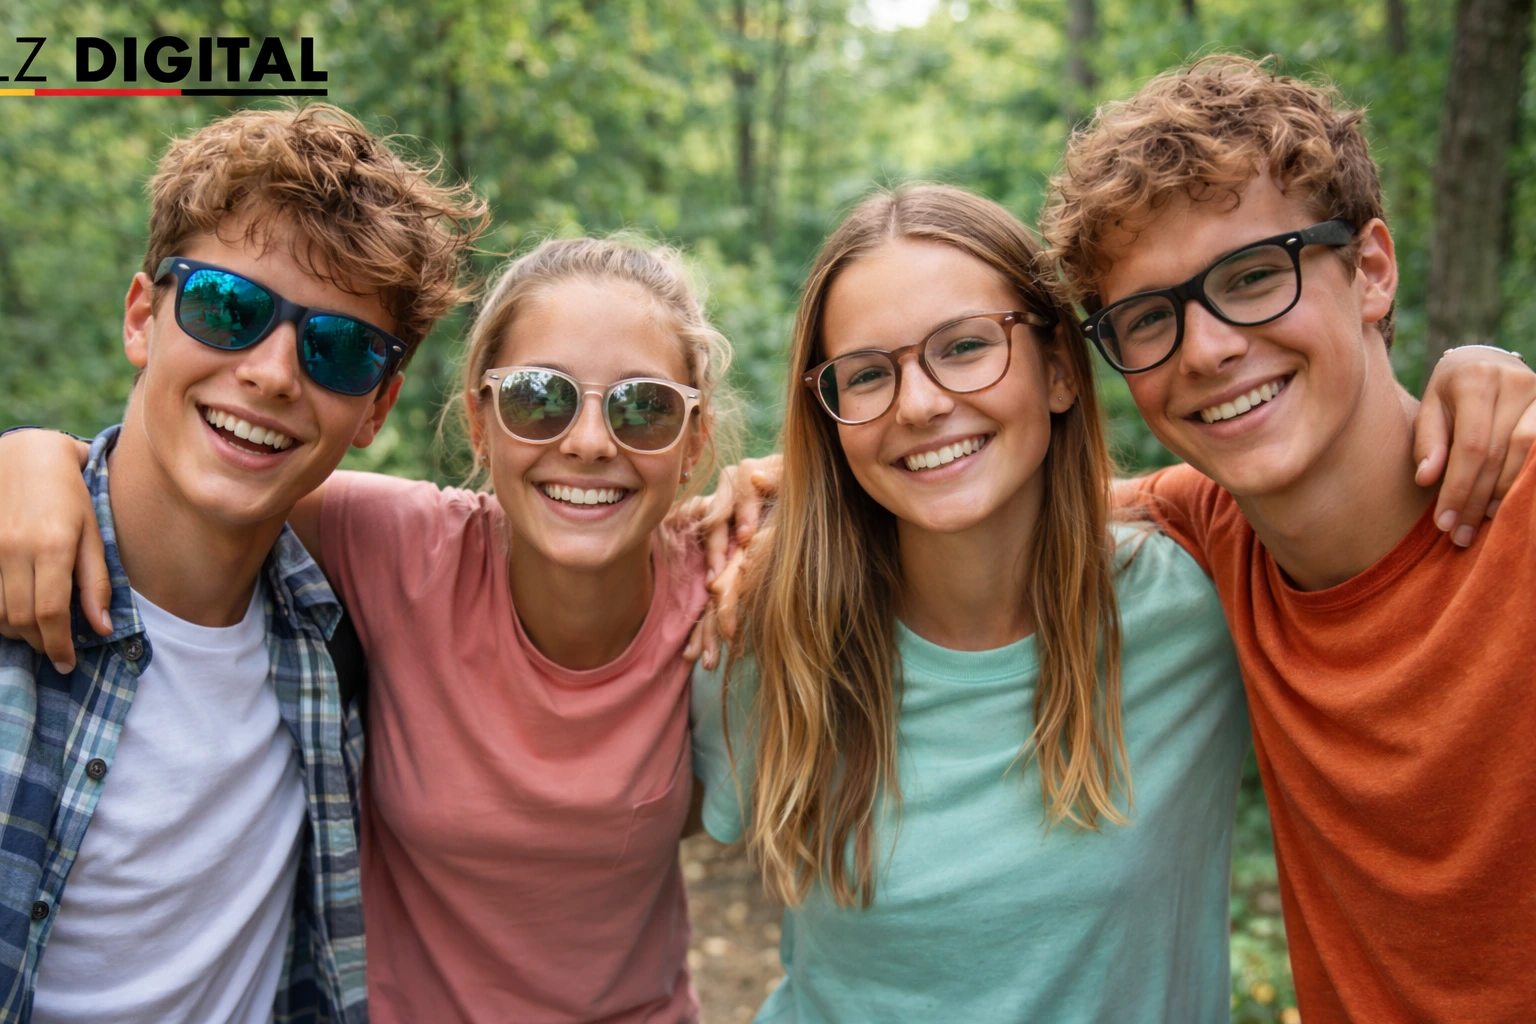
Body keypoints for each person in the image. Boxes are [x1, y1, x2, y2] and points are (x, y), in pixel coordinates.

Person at [0, 236, 736, 1023]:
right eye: (538, 397)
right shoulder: (395, 545)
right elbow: (200, 480)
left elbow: (863, 514)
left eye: (645, 407)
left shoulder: (728, 586)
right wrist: (35, 455)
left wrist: (787, 484)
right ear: (481, 425)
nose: (590, 441)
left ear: (694, 440)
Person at [1039, 55, 1536, 1022]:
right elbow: (1024, 500)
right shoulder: (1212, 524)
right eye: (1148, 319)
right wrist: (802, 483)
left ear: (1372, 272)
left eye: (1255, 276)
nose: (1209, 347)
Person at [692, 183, 1251, 1022]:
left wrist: (1500, 385)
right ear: (831, 416)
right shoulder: (761, 627)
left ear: (1060, 366)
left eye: (963, 347)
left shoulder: (1202, 599)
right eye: (868, 374)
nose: (919, 404)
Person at [0, 103, 487, 1024]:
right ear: (144, 317)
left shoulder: (340, 636)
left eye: (337, 348)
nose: (270, 372)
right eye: (229, 307)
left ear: (376, 410)